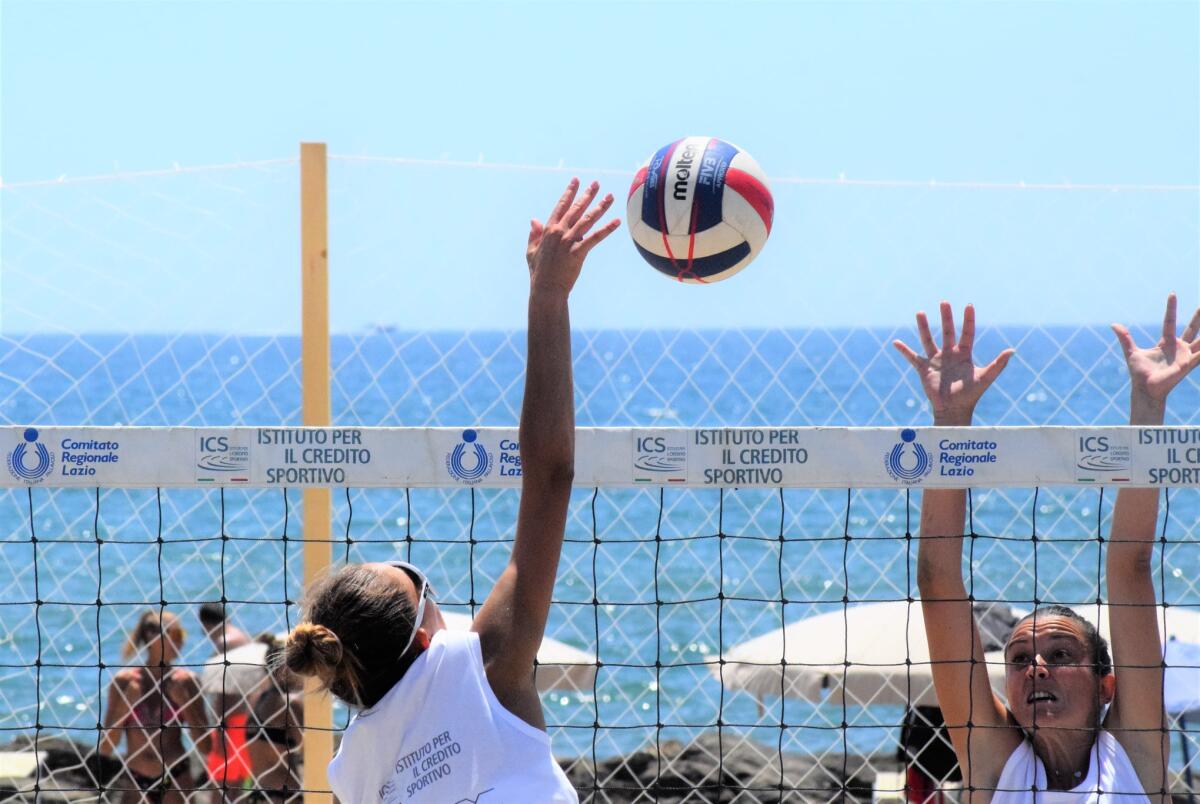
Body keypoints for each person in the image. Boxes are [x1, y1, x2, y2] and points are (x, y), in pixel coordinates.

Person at [284, 177, 620, 803]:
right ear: (424, 636)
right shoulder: (480, 667)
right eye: (422, 585)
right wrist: (548, 297)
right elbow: (551, 474)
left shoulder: (352, 770)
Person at [895, 297, 1195, 802]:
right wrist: (949, 422)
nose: (1036, 668)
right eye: (1018, 660)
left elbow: (1130, 568)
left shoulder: (1134, 754)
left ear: (1108, 687)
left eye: (1059, 654)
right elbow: (937, 581)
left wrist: (1148, 409)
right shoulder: (994, 765)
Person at [101, 610, 213, 803]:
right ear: (153, 637)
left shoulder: (187, 682)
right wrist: (126, 704)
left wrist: (184, 702)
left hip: (175, 777)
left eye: (182, 635)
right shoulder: (124, 683)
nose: (182, 642)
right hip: (135, 779)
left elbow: (206, 746)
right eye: (176, 635)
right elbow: (105, 748)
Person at [244, 634, 303, 802]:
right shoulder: (290, 704)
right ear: (286, 667)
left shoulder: (255, 699)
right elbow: (311, 749)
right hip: (285, 795)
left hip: (257, 793)